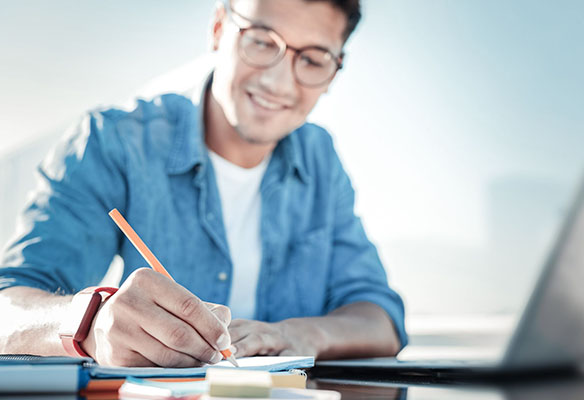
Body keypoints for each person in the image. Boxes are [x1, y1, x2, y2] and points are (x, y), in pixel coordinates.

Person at [0, 0, 407, 367]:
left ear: (334, 71)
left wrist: (302, 335)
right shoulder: (114, 142)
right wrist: (92, 325)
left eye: (314, 60)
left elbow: (381, 318)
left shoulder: (320, 158)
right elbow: (7, 308)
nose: (279, 83)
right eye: (263, 42)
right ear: (217, 29)